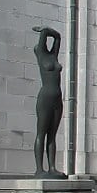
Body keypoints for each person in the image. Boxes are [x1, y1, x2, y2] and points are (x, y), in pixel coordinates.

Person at [32, 25, 65, 178]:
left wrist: (47, 29)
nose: (44, 42)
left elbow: (58, 36)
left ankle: (52, 167)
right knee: (42, 133)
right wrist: (44, 31)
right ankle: (40, 169)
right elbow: (44, 37)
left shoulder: (53, 56)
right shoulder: (40, 54)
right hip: (45, 98)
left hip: (57, 99)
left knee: (52, 135)